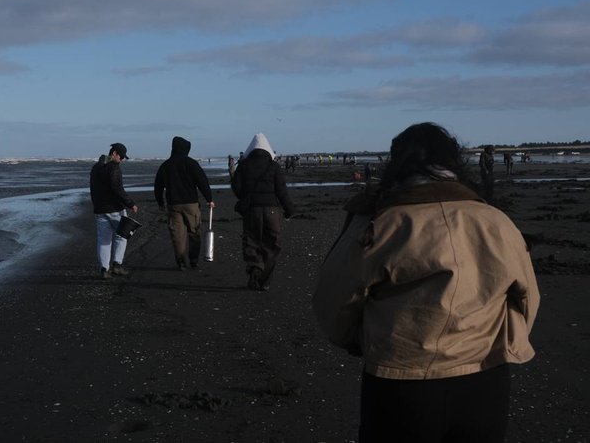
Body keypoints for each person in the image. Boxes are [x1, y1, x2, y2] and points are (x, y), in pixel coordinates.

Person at [312, 122, 539, 443]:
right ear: (454, 162)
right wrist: (508, 342)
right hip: (485, 379)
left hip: (400, 381)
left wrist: (359, 340)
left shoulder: (379, 222)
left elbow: (333, 300)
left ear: (397, 163)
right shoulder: (495, 220)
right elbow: (527, 296)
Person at [231, 133, 295, 291]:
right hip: (272, 211)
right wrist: (289, 210)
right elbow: (282, 191)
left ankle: (255, 268)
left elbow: (238, 190)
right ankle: (264, 280)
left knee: (251, 241)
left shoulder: (243, 166)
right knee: (272, 245)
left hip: (252, 210)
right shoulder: (274, 167)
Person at [153, 136, 216, 270]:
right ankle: (193, 260)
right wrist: (209, 199)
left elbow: (157, 186)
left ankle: (181, 261)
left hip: (173, 205)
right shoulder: (191, 163)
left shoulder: (166, 165)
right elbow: (202, 181)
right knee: (194, 233)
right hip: (191, 204)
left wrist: (160, 202)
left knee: (178, 236)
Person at [89, 142, 138, 280]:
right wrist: (131, 204)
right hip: (115, 208)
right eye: (121, 156)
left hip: (99, 209)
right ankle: (117, 265)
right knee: (122, 236)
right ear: (115, 153)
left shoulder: (96, 167)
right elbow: (117, 188)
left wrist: (96, 204)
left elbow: (93, 189)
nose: (122, 160)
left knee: (103, 240)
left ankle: (104, 269)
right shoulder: (113, 168)